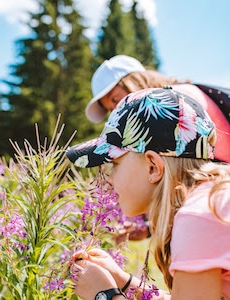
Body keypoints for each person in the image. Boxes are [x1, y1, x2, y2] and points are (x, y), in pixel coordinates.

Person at [66, 87, 230, 300]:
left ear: (153, 166)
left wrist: (105, 295)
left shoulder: (199, 217)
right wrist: (124, 282)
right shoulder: (211, 202)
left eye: (114, 164)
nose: (107, 180)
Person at [85, 55, 230, 164]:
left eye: (115, 99)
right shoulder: (178, 95)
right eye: (110, 109)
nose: (116, 111)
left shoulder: (174, 103)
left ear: (134, 81)